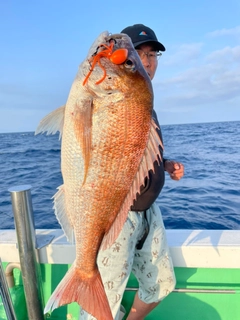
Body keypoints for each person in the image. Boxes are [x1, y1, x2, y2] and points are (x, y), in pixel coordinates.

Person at [80, 24, 184, 320]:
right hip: (116, 216)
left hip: (149, 214)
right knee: (101, 309)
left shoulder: (144, 102)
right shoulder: (108, 97)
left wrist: (164, 164)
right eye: (137, 55)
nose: (148, 61)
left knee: (161, 285)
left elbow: (133, 154)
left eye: (153, 54)